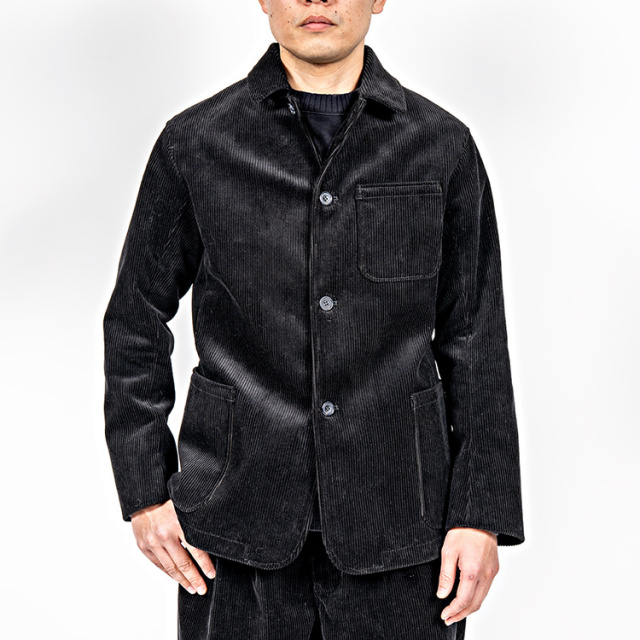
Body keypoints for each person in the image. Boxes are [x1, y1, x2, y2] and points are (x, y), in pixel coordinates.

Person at [102, 0, 525, 637]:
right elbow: (135, 319)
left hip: (404, 526)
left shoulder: (441, 147)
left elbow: (475, 337)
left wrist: (479, 514)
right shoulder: (196, 144)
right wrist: (145, 491)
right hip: (234, 521)